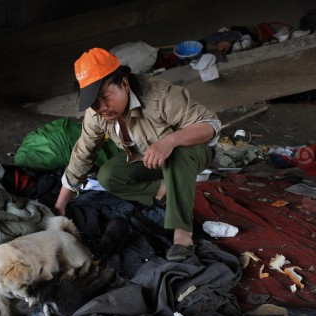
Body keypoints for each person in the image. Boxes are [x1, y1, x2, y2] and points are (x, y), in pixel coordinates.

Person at [54, 47, 220, 261]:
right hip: (150, 158)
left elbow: (211, 126)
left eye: (106, 96)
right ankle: (162, 190)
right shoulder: (96, 114)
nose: (102, 107)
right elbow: (83, 153)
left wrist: (170, 141)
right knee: (109, 175)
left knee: (177, 155)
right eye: (94, 102)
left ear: (124, 83)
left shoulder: (160, 96)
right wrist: (60, 205)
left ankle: (182, 236)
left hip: (192, 151)